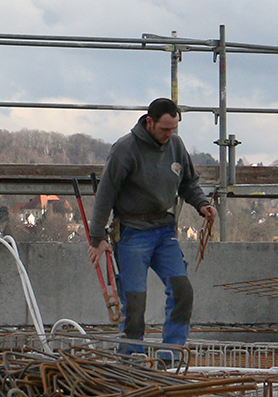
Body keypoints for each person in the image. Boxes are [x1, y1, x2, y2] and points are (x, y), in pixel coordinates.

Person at [88, 98, 217, 353]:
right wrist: (97, 237)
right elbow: (106, 193)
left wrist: (202, 205)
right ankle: (131, 359)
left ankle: (171, 354)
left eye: (173, 129)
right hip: (133, 233)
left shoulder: (176, 145)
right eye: (164, 129)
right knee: (134, 302)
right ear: (150, 122)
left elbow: (188, 183)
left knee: (182, 291)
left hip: (164, 230)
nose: (169, 135)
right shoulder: (125, 149)